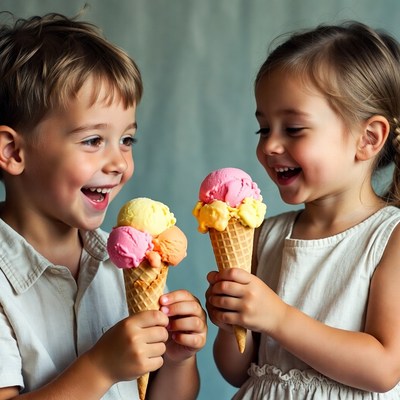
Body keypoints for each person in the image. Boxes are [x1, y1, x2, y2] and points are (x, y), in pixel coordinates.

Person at [0, 12, 207, 400]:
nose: (119, 164)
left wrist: (178, 359)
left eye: (126, 140)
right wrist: (100, 368)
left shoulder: (124, 262)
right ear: (13, 151)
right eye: (94, 140)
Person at [205, 21, 400, 399]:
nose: (270, 146)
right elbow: (235, 372)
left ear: (368, 138)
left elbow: (383, 369)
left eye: (293, 128)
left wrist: (276, 317)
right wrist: (232, 324)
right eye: (263, 129)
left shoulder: (388, 238)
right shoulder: (266, 234)